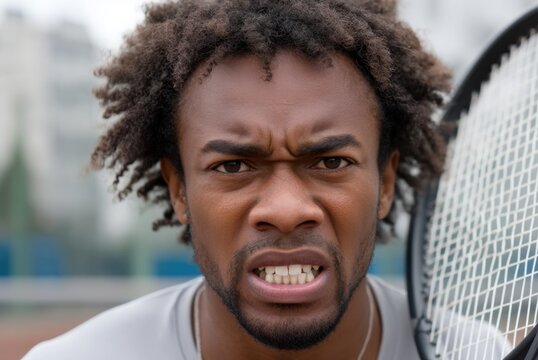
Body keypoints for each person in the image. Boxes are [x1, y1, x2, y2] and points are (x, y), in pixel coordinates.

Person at [24, 0, 454, 359]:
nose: (286, 211)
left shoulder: (468, 351)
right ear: (179, 191)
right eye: (233, 166)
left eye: (330, 162)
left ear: (385, 181)